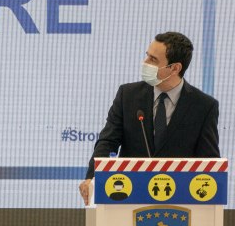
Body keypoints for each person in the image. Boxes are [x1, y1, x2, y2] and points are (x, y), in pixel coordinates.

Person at [79, 32, 219, 205]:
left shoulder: (204, 106)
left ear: (175, 68)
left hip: (179, 199)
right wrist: (92, 177)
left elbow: (209, 160)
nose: (145, 63)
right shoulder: (128, 95)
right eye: (147, 56)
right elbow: (108, 141)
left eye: (153, 60)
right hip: (128, 193)